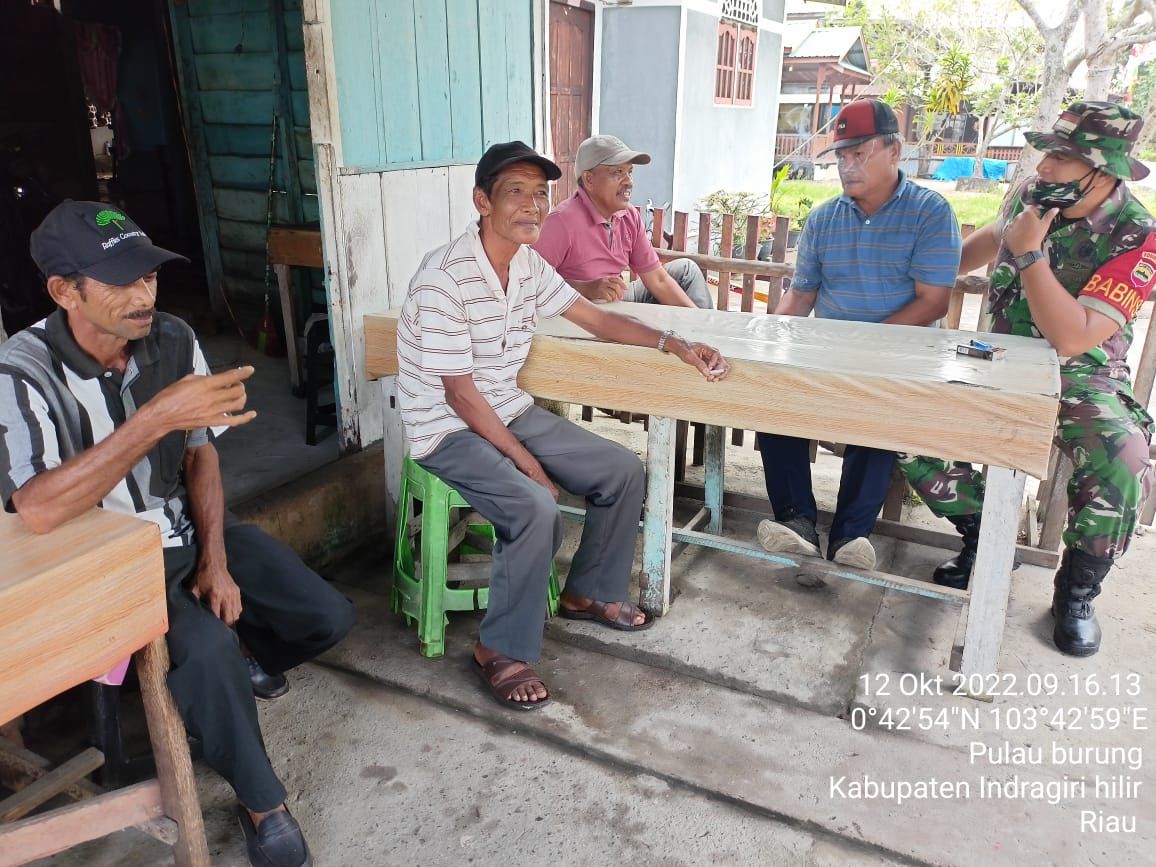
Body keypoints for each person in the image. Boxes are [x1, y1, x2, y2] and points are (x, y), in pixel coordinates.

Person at [0, 201, 354, 867]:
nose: (145, 295)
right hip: (103, 565)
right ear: (64, 290)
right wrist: (154, 416)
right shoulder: (22, 371)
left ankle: (226, 684)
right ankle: (262, 802)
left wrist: (216, 557)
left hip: (185, 534)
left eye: (150, 276)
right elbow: (39, 509)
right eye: (122, 280)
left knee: (326, 614)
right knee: (209, 652)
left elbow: (201, 454)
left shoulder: (171, 338)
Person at [396, 141, 729, 710]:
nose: (531, 205)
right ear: (482, 200)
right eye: (514, 192)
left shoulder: (526, 264)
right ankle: (498, 650)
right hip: (445, 426)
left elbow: (593, 316)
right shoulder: (442, 279)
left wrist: (672, 343)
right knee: (533, 504)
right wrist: (526, 463)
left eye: (539, 194)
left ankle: (586, 593)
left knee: (621, 470)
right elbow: (460, 393)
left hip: (505, 407)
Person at [898, 101, 1156, 658]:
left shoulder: (1138, 234)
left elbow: (1072, 338)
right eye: (1048, 151)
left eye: (1063, 158)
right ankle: (985, 542)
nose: (1044, 166)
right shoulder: (1031, 196)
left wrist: (1031, 253)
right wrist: (916, 282)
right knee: (908, 425)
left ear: (1105, 168)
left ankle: (1076, 591)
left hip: (1080, 375)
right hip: (992, 357)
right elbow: (981, 245)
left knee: (1125, 455)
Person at [754, 98, 963, 572]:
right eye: (842, 157)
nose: (848, 166)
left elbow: (933, 301)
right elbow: (801, 295)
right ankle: (797, 522)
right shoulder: (825, 218)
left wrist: (862, 349)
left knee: (880, 412)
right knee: (770, 393)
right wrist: (765, 338)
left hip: (899, 357)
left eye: (860, 153)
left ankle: (851, 536)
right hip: (829, 354)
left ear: (895, 151)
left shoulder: (931, 213)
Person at [532, 134, 713, 309]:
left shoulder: (628, 216)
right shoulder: (562, 222)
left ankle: (706, 332)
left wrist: (699, 321)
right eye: (618, 172)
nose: (629, 182)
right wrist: (585, 289)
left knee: (686, 271)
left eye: (629, 172)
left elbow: (657, 279)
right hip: (581, 313)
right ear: (589, 179)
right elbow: (530, 284)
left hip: (618, 301)